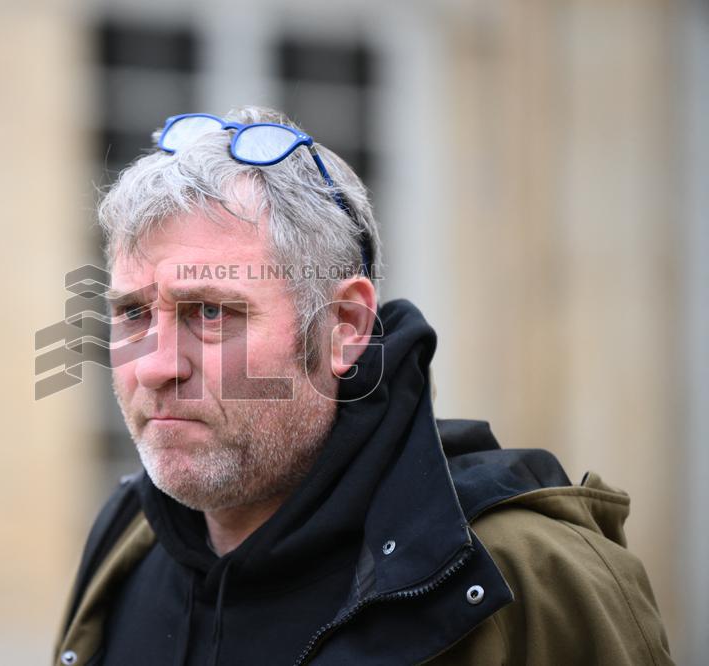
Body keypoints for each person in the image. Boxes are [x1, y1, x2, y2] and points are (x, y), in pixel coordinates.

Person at [53, 107, 673, 665]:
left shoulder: (530, 576)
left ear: (344, 327)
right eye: (134, 313)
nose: (156, 366)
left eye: (211, 313)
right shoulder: (124, 546)